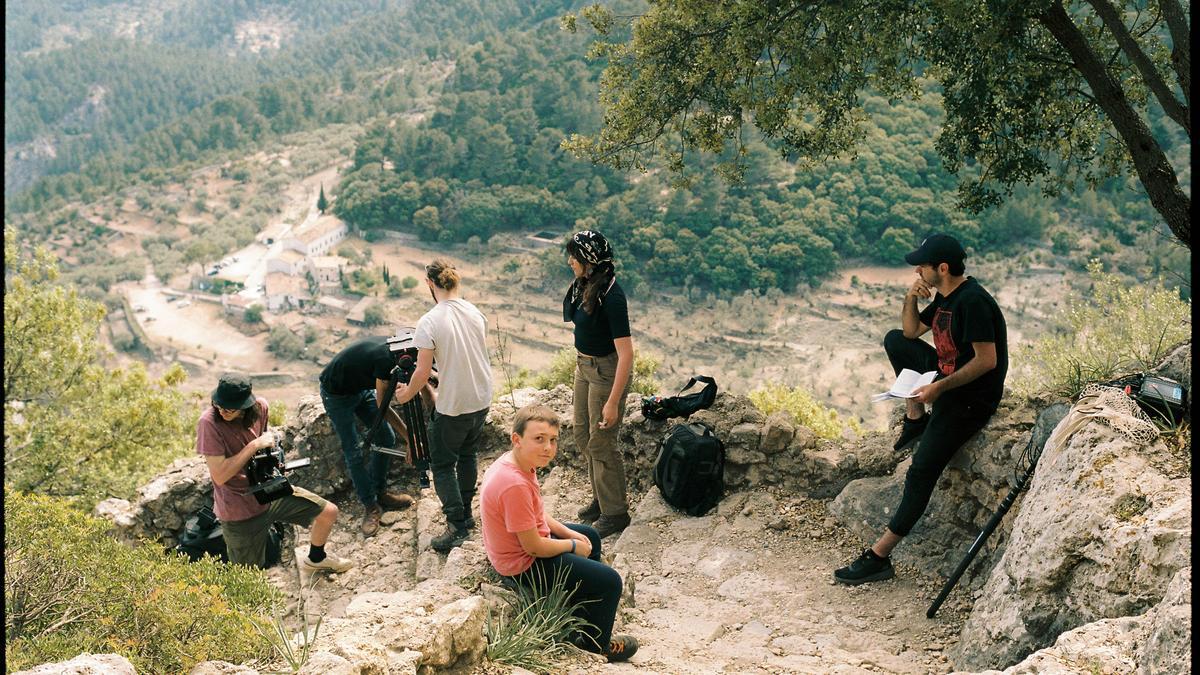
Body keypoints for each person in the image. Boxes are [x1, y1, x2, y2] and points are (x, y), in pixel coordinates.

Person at [835, 234, 1008, 585]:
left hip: (970, 398)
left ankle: (879, 557)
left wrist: (938, 388)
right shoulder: (945, 298)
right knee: (895, 340)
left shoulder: (972, 302)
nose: (917, 270)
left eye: (923, 266)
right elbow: (911, 331)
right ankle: (915, 421)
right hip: (945, 381)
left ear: (942, 268)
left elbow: (987, 361)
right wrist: (910, 297)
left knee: (921, 472)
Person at [480, 404, 639, 662]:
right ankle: (594, 645)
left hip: (522, 546)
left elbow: (536, 514)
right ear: (516, 439)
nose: (548, 448)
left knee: (591, 536)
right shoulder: (514, 484)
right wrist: (572, 547)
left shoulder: (517, 462)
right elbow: (533, 547)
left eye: (553, 440)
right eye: (539, 439)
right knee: (611, 581)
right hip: (522, 564)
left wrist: (569, 534)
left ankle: (585, 611)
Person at [197, 374, 352, 573]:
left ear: (245, 405)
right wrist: (254, 446)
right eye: (218, 405)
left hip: (269, 493)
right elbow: (219, 475)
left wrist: (274, 464)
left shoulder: (260, 408)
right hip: (238, 509)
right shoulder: (209, 423)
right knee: (247, 576)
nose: (222, 411)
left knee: (328, 512)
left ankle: (316, 558)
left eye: (229, 408)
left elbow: (263, 447)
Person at [394, 258, 493, 553]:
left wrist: (407, 393)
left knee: (442, 464)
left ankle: (457, 526)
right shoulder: (475, 312)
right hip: (482, 396)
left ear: (430, 284)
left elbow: (422, 372)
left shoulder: (429, 321)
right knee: (468, 454)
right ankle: (467, 515)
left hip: (455, 405)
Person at [563, 230, 634, 538]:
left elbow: (626, 354)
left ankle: (615, 512)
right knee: (582, 434)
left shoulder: (613, 296)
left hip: (606, 370)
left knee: (601, 442)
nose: (569, 262)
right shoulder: (586, 286)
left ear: (589, 262)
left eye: (574, 257)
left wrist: (613, 401)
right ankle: (601, 497)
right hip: (584, 366)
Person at [319, 337, 421, 537]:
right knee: (353, 451)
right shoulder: (387, 362)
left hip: (361, 389)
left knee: (386, 437)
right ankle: (370, 505)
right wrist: (411, 438)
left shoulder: (408, 353)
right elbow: (384, 407)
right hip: (336, 395)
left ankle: (381, 492)